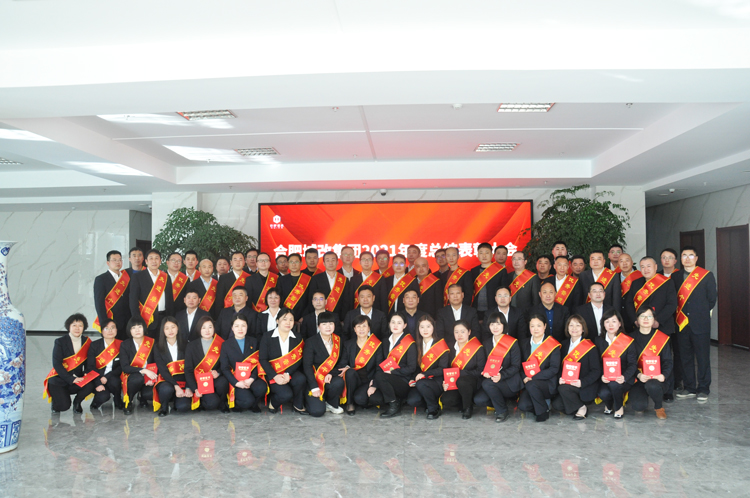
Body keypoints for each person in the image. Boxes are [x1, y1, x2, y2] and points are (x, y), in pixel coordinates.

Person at [626, 256, 678, 401]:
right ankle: (641, 385)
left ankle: (667, 391)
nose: (645, 269)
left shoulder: (666, 282)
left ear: (656, 267)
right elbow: (629, 303)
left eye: (649, 266)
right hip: (640, 327)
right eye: (642, 266)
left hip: (662, 327)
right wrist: (635, 319)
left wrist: (657, 320)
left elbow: (671, 304)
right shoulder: (636, 283)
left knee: (666, 359)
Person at [672, 246, 716, 402]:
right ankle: (689, 387)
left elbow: (711, 299)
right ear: (681, 258)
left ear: (696, 258)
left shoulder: (706, 276)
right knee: (685, 357)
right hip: (681, 323)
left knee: (703, 358)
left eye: (691, 255)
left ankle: (703, 388)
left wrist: (698, 313)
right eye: (684, 255)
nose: (687, 258)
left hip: (700, 324)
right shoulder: (676, 276)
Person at [473, 312, 522, 423]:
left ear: (504, 325)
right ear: (488, 326)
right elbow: (484, 364)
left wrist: (501, 375)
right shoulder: (486, 343)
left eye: (498, 324)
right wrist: (485, 372)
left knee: (487, 384)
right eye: (492, 324)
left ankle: (502, 411)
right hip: (492, 381)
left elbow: (516, 366)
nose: (495, 327)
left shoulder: (512, 342)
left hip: (509, 381)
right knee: (479, 400)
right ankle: (501, 402)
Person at [44, 313, 96, 414]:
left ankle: (77, 402)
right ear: (69, 327)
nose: (77, 328)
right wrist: (71, 379)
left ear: (84, 327)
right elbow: (57, 364)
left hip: (77, 378)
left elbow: (89, 363)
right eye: (74, 325)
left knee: (90, 384)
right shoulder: (60, 342)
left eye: (80, 325)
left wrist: (87, 373)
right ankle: (56, 400)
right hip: (59, 379)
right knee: (63, 406)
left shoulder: (87, 342)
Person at [259, 308, 308, 414]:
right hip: (273, 372)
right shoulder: (267, 336)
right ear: (277, 321)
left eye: (291, 320)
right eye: (285, 319)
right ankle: (273, 403)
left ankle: (297, 404)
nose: (288, 322)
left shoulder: (297, 337)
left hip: (290, 372)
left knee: (301, 379)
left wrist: (288, 373)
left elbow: (299, 358)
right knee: (286, 395)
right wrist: (274, 376)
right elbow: (263, 359)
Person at [552, 315, 601, 420]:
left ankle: (582, 407)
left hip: (583, 385)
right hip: (567, 385)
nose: (574, 328)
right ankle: (577, 404)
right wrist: (560, 378)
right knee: (557, 405)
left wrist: (582, 382)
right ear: (567, 328)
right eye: (571, 325)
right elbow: (559, 367)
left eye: (578, 325)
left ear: (583, 329)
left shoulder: (590, 347)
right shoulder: (563, 345)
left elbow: (596, 371)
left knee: (562, 389)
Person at [629, 307, 672, 419]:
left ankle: (658, 407)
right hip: (638, 378)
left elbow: (668, 361)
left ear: (654, 320)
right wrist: (638, 375)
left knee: (652, 386)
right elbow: (628, 363)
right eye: (642, 316)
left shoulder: (662, 338)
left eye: (649, 316)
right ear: (637, 320)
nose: (646, 319)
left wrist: (663, 375)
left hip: (656, 379)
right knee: (638, 407)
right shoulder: (630, 338)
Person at [517, 313, 561, 422]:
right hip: (529, 383)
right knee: (523, 406)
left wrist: (533, 378)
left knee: (532, 384)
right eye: (532, 326)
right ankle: (543, 404)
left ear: (545, 326)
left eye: (539, 325)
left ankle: (542, 413)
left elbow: (554, 368)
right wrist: (524, 377)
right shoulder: (523, 343)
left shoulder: (552, 344)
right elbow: (519, 365)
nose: (535, 329)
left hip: (547, 383)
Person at [437, 321, 486, 419]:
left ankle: (468, 407)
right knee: (447, 400)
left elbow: (480, 370)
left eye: (463, 331)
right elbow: (445, 368)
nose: (459, 335)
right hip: (454, 382)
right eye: (456, 332)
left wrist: (461, 373)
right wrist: (445, 381)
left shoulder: (477, 348)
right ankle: (464, 402)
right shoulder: (450, 348)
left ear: (469, 332)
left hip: (472, 380)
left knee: (463, 381)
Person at [220, 314, 267, 413]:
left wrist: (251, 379)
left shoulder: (254, 342)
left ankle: (254, 404)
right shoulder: (226, 345)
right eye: (237, 326)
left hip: (251, 378)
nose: (240, 329)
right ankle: (238, 403)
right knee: (247, 401)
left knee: (262, 387)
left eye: (243, 325)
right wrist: (236, 383)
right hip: (236, 380)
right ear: (232, 328)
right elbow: (224, 368)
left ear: (247, 327)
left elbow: (258, 362)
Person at [303, 312, 347, 416]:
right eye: (324, 324)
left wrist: (331, 373)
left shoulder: (338, 340)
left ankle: (330, 403)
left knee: (339, 382)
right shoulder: (311, 342)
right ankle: (312, 400)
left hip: (330, 378)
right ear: (318, 326)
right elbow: (307, 366)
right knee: (317, 412)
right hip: (315, 379)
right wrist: (314, 387)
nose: (328, 327)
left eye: (331, 323)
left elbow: (343, 361)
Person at [407, 315, 451, 419]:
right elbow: (415, 366)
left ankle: (433, 408)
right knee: (412, 400)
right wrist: (413, 378)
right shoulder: (416, 345)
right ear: (418, 329)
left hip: (437, 381)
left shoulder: (441, 345)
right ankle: (429, 401)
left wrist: (425, 374)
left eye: (428, 326)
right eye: (422, 327)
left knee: (422, 384)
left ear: (433, 327)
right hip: (421, 381)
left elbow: (442, 369)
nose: (425, 330)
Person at [595, 309, 637, 419]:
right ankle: (609, 404)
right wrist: (602, 376)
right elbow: (596, 363)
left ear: (619, 323)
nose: (610, 325)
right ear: (603, 324)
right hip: (606, 378)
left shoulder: (628, 341)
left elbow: (632, 364)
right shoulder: (598, 341)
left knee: (615, 385)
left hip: (623, 377)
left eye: (614, 321)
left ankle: (618, 407)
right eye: (607, 321)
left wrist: (624, 377)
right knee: (603, 393)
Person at [374, 313, 418, 418]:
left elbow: (412, 367)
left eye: (399, 323)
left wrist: (393, 372)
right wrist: (374, 384)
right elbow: (381, 363)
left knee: (380, 376)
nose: (395, 325)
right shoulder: (385, 341)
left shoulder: (410, 343)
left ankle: (394, 405)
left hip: (403, 381)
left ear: (405, 325)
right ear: (389, 324)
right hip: (387, 379)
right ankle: (396, 399)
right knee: (374, 399)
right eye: (393, 322)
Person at [340, 315, 384, 415]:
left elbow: (379, 367)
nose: (361, 329)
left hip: (368, 380)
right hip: (353, 379)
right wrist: (347, 367)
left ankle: (360, 398)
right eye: (358, 326)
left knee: (360, 399)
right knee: (350, 372)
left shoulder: (377, 345)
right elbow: (343, 363)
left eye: (364, 326)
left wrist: (374, 383)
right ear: (354, 329)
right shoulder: (348, 344)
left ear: (369, 328)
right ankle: (350, 403)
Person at [184, 316, 229, 412]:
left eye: (210, 327)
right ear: (199, 329)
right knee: (212, 403)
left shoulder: (222, 344)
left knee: (223, 382)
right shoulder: (191, 346)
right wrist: (195, 389)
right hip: (199, 382)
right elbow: (188, 370)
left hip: (214, 380)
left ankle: (222, 403)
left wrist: (218, 373)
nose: (207, 330)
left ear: (214, 328)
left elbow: (225, 365)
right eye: (203, 327)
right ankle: (204, 400)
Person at [129, 249, 174, 338]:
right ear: (146, 261)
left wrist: (170, 318)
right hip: (146, 318)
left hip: (164, 318)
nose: (154, 261)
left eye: (156, 258)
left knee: (162, 344)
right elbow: (133, 300)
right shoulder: (138, 277)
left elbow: (170, 299)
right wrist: (137, 320)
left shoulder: (165, 277)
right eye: (151, 258)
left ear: (160, 261)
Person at [153, 317, 191, 416]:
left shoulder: (186, 345)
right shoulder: (158, 347)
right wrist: (176, 386)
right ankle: (164, 407)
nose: (170, 331)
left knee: (183, 407)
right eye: (167, 328)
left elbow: (189, 368)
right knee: (166, 389)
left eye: (173, 327)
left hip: (183, 380)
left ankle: (176, 401)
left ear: (177, 328)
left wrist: (188, 387)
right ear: (163, 330)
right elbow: (163, 370)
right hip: (167, 380)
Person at [119, 316, 157, 415]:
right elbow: (125, 367)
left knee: (150, 394)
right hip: (133, 375)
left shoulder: (152, 342)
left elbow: (157, 362)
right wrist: (143, 370)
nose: (137, 330)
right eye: (133, 328)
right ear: (129, 330)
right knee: (138, 379)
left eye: (139, 327)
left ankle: (142, 397)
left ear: (144, 328)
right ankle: (129, 400)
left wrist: (152, 378)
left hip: (150, 375)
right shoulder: (125, 345)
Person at [93, 250, 132, 339]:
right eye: (114, 260)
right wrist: (104, 324)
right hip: (111, 321)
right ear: (108, 263)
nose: (118, 262)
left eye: (119, 260)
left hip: (127, 322)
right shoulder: (101, 279)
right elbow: (99, 304)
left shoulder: (127, 277)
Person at [86, 319, 123, 410]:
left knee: (115, 382)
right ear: (102, 331)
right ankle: (95, 402)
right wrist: (98, 382)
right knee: (103, 396)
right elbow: (90, 367)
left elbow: (122, 366)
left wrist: (107, 377)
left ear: (116, 330)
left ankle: (117, 399)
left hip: (113, 376)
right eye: (106, 328)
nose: (110, 331)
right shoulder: (94, 345)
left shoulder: (121, 345)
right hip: (97, 377)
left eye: (112, 328)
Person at [307, 251, 353, 322]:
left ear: (337, 262)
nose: (330, 263)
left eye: (333, 260)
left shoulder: (344, 279)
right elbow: (311, 298)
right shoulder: (316, 279)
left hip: (339, 318)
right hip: (320, 317)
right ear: (324, 263)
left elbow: (347, 301)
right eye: (328, 260)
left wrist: (342, 318)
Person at [470, 243, 506, 321]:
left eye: (487, 253)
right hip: (477, 309)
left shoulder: (500, 271)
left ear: (492, 255)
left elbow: (504, 290)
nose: (484, 256)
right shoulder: (474, 271)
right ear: (477, 255)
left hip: (494, 308)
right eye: (481, 253)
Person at [279, 253, 315, 321]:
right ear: (288, 264)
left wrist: (304, 316)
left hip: (304, 317)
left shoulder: (309, 279)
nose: (294, 264)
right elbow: (279, 299)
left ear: (301, 263)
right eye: (291, 262)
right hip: (285, 317)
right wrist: (284, 314)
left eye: (296, 262)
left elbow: (311, 300)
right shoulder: (281, 280)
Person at [617, 254, 641, 333]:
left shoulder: (640, 276)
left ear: (632, 262)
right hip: (620, 317)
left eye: (627, 260)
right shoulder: (614, 277)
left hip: (636, 316)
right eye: (621, 261)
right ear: (618, 264)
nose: (624, 263)